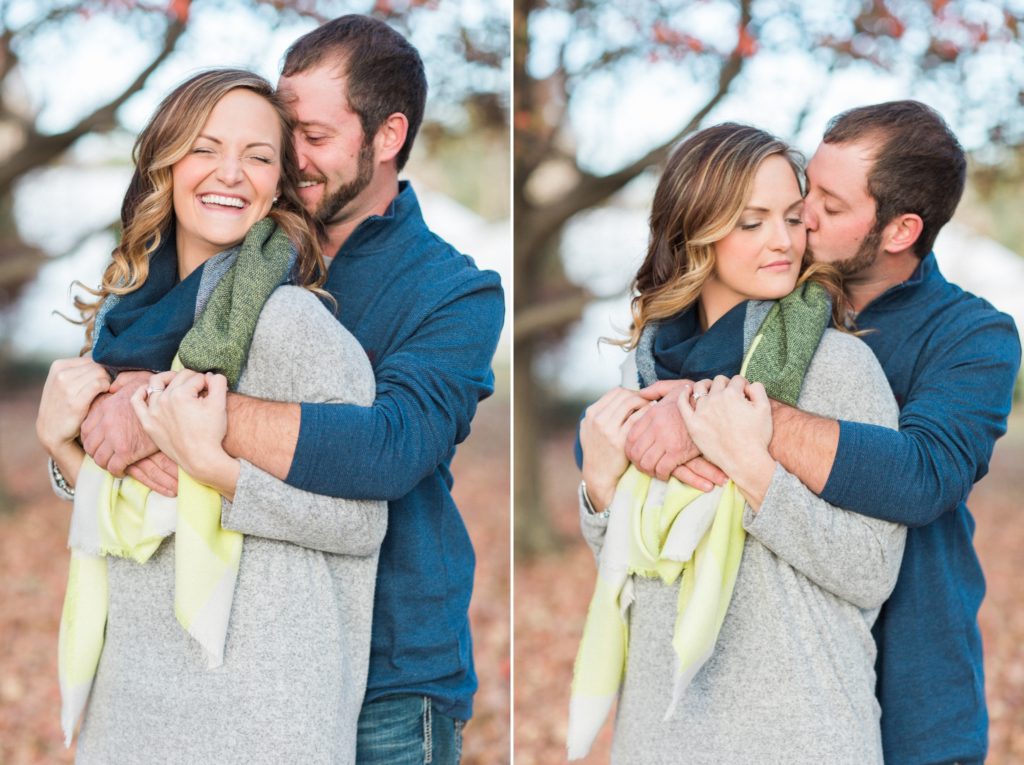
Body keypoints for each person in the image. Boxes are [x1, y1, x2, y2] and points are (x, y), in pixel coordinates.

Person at [74, 16, 504, 763]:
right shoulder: (235, 260)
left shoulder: (454, 290)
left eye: (312, 134)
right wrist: (75, 431)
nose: (290, 156)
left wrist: (170, 405)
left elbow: (388, 447)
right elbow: (129, 457)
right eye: (284, 131)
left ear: (388, 135)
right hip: (236, 658)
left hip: (392, 675)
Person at [621, 102, 1022, 764]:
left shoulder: (971, 335)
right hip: (766, 691)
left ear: (899, 231)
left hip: (915, 683)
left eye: (830, 207)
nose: (801, 216)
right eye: (808, 190)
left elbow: (923, 475)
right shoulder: (765, 307)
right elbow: (635, 415)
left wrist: (725, 414)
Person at [36, 69, 386, 764]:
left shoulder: (292, 324)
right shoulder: (122, 319)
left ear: (278, 184)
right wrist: (61, 447)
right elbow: (135, 517)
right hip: (130, 699)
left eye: (258, 156)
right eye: (206, 147)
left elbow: (361, 522)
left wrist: (216, 468)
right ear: (165, 161)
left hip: (266, 711)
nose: (231, 173)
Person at [570, 123, 906, 764]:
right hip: (658, 733)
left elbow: (870, 571)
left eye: (791, 216)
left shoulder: (836, 368)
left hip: (798, 733)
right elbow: (633, 571)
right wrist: (598, 486)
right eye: (751, 222)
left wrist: (754, 471)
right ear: (694, 230)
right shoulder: (639, 372)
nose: (783, 241)